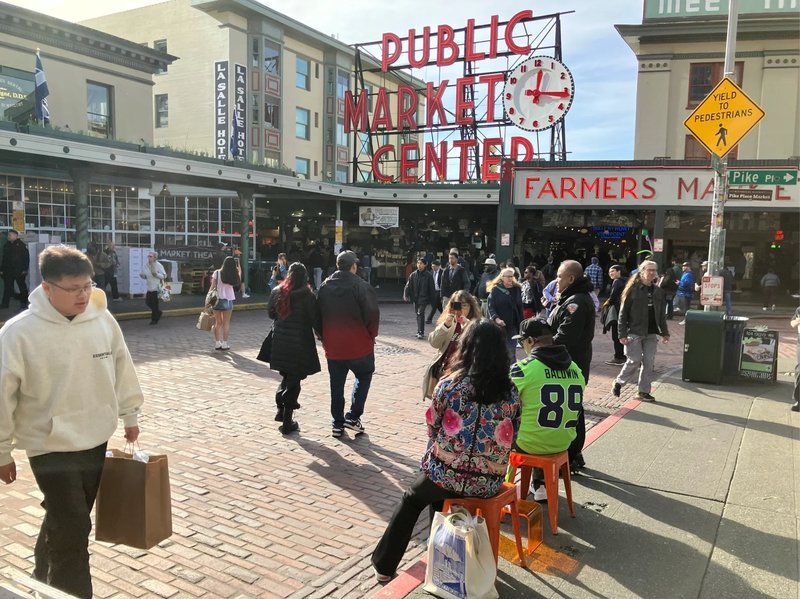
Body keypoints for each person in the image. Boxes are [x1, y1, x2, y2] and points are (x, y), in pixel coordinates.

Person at [0, 245, 143, 599]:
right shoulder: (18, 333)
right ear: (47, 288)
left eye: (88, 285)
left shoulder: (102, 318)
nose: (84, 295)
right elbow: (2, 395)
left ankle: (40, 578)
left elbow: (122, 366)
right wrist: (2, 450)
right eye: (74, 288)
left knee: (64, 521)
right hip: (48, 445)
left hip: (95, 437)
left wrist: (130, 413)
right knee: (76, 528)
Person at [371, 320, 521, 583]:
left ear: (466, 347)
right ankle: (440, 552)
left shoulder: (450, 385)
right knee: (439, 491)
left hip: (445, 474)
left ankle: (385, 565)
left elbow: (433, 427)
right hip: (488, 483)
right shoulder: (511, 393)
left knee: (412, 498)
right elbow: (513, 434)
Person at [510, 318, 585, 501]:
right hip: (563, 444)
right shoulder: (576, 369)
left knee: (504, 426)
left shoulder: (522, 370)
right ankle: (541, 483)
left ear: (530, 341)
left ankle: (500, 487)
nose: (522, 346)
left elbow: (500, 403)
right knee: (537, 419)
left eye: (521, 341)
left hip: (528, 445)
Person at [316, 250, 380, 438]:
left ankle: (337, 423)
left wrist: (323, 336)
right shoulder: (361, 286)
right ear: (354, 266)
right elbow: (372, 315)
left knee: (336, 385)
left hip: (334, 346)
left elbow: (317, 316)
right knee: (364, 375)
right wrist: (371, 335)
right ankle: (353, 416)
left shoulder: (325, 286)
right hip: (359, 344)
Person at [547, 260, 595, 472]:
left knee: (573, 409)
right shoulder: (569, 298)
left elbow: (564, 337)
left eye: (559, 276)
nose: (556, 280)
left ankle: (573, 454)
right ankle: (571, 453)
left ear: (571, 278)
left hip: (570, 365)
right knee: (571, 407)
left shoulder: (576, 302)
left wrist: (542, 346)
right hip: (567, 363)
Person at [267, 262, 320, 434]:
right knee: (294, 381)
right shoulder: (308, 296)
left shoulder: (277, 292)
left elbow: (270, 314)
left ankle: (280, 410)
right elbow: (315, 321)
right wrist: (323, 337)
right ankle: (287, 421)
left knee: (286, 376)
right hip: (299, 344)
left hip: (280, 342)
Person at [612, 260, 670, 402]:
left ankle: (643, 392)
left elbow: (661, 314)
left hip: (651, 332)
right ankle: (619, 382)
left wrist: (665, 332)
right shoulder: (633, 289)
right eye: (649, 270)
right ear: (642, 271)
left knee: (649, 362)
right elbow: (623, 313)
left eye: (654, 270)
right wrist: (622, 334)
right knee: (634, 359)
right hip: (634, 331)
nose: (651, 273)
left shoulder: (658, 291)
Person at [422, 291, 481, 400]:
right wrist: (445, 325)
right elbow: (434, 343)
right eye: (457, 305)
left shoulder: (477, 324)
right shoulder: (448, 323)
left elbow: (480, 345)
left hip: (464, 373)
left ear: (471, 307)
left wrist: (468, 325)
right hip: (444, 371)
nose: (461, 309)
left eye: (464, 305)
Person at [487, 267, 523, 356]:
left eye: (512, 276)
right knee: (499, 351)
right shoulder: (495, 290)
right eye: (508, 276)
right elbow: (491, 307)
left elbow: (520, 308)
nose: (510, 278)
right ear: (502, 277)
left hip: (513, 326)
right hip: (499, 326)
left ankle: (511, 369)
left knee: (511, 352)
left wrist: (522, 324)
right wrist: (497, 319)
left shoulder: (517, 289)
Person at [209, 256, 240, 350]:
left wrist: (208, 298)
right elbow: (238, 283)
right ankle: (225, 344)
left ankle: (217, 343)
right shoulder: (234, 274)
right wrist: (239, 270)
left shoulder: (217, 273)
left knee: (218, 322)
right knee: (226, 323)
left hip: (217, 299)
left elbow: (212, 286)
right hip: (228, 299)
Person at [403, 257, 435, 339]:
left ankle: (421, 332)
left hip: (424, 298)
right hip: (415, 298)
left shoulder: (428, 276)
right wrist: (406, 294)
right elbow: (408, 285)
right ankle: (419, 331)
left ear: (425, 265)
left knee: (420, 313)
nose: (419, 265)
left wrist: (432, 300)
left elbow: (431, 288)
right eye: (418, 263)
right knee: (418, 315)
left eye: (421, 263)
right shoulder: (413, 275)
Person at [603, 264, 629, 365]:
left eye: (613, 271)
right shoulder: (629, 280)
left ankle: (619, 357)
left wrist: (607, 303)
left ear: (619, 271)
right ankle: (626, 356)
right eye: (609, 272)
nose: (611, 273)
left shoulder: (617, 281)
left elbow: (613, 296)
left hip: (617, 311)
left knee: (616, 335)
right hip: (627, 311)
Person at [1, 229, 30, 310]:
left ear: (15, 236)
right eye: (8, 235)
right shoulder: (7, 245)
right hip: (8, 270)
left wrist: (25, 269)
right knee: (8, 287)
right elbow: (4, 259)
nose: (8, 237)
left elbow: (26, 258)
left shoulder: (21, 245)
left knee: (22, 287)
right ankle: (5, 304)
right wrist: (2, 269)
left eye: (10, 235)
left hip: (19, 270)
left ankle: (24, 303)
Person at [139, 251, 166, 325]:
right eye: (148, 256)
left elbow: (164, 275)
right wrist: (142, 276)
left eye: (151, 256)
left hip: (156, 287)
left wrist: (156, 275)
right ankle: (158, 312)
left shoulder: (158, 265)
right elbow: (146, 275)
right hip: (149, 287)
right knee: (148, 302)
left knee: (154, 304)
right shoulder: (147, 265)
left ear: (155, 258)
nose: (149, 258)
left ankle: (154, 319)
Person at [425, 259, 443, 324]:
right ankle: (445, 315)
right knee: (438, 306)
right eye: (432, 266)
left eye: (434, 266)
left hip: (439, 291)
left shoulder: (442, 272)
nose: (433, 268)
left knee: (434, 306)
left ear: (438, 266)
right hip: (433, 292)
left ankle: (429, 319)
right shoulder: (431, 272)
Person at [790, 306, 800, 412]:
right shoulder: (799, 309)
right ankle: (799, 400)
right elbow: (792, 323)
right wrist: (798, 321)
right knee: (799, 370)